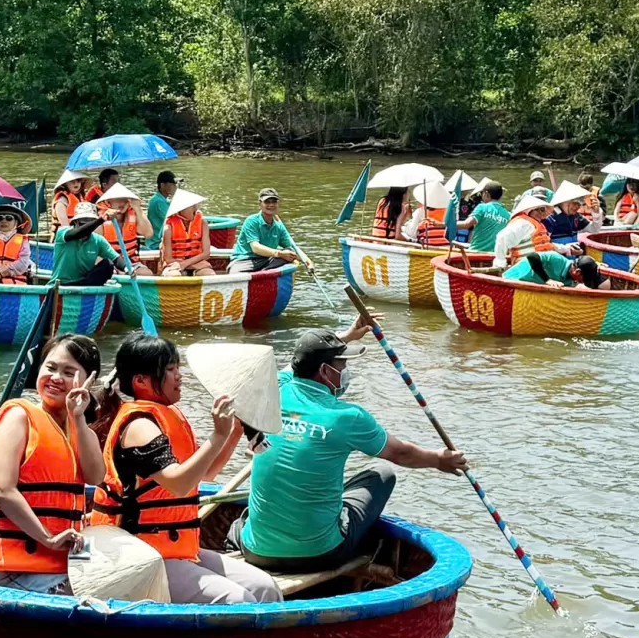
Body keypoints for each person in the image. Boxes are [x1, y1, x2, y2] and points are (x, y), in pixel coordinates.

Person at [228, 324, 466, 573]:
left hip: (255, 552)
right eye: (341, 365)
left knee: (245, 517)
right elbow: (400, 453)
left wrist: (347, 336)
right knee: (381, 474)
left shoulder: (275, 388)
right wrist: (440, 460)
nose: (346, 371)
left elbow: (297, 364)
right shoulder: (347, 417)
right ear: (324, 370)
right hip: (320, 554)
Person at [88, 336, 281, 605]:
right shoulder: (139, 425)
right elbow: (177, 484)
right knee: (238, 600)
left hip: (177, 547)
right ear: (140, 381)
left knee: (265, 587)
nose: (178, 375)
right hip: (140, 552)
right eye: (169, 369)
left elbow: (205, 474)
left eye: (177, 367)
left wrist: (235, 431)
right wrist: (217, 434)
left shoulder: (169, 416)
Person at [0, 336, 104, 592]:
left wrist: (78, 418)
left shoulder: (82, 432)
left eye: (68, 372)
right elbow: (2, 490)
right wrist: (48, 539)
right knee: (85, 598)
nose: (56, 377)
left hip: (68, 558)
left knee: (113, 584)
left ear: (87, 382)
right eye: (50, 368)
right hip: (19, 565)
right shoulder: (18, 416)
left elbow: (95, 476)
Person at [230, 188, 313, 274]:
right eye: (267, 202)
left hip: (267, 260)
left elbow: (292, 247)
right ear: (260, 204)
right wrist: (279, 253)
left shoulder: (278, 226)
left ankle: (264, 274)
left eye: (274, 202)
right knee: (235, 273)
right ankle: (262, 274)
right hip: (245, 260)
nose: (271, 205)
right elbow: (256, 248)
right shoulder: (252, 221)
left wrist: (307, 261)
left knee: (289, 252)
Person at [49, 201, 126, 286]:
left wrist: (127, 269)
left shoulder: (98, 240)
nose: (87, 228)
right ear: (75, 223)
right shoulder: (62, 233)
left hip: (84, 283)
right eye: (82, 224)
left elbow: (115, 259)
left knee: (108, 264)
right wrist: (102, 219)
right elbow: (79, 232)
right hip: (61, 284)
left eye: (90, 223)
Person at [95, 183, 153, 271]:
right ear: (108, 201)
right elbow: (95, 248)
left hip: (132, 262)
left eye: (125, 200)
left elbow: (148, 234)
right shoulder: (101, 219)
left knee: (147, 273)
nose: (122, 202)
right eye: (118, 199)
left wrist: (137, 209)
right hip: (111, 263)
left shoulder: (134, 216)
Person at [158, 189, 216, 277]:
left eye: (195, 205)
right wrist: (182, 265)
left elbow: (206, 253)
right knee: (174, 275)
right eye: (191, 206)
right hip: (174, 264)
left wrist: (186, 264)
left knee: (210, 274)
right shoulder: (168, 228)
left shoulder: (203, 223)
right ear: (181, 209)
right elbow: (168, 259)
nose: (195, 209)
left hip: (197, 263)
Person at [490, 191, 555, 269]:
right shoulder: (523, 223)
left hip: (543, 267)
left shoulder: (536, 224)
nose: (541, 213)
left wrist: (565, 249)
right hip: (528, 269)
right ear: (529, 210)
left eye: (543, 210)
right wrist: (500, 262)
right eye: (539, 210)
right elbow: (501, 237)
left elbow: (545, 244)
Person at [540, 182, 595, 254]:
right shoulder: (549, 219)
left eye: (579, 204)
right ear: (563, 201)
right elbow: (544, 245)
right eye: (574, 203)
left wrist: (596, 212)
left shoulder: (576, 217)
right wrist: (566, 249)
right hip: (558, 260)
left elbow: (594, 229)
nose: (577, 207)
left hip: (572, 259)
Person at [504, 250, 606, 289]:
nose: (581, 282)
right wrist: (547, 280)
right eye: (583, 279)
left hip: (528, 289)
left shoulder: (569, 280)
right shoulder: (556, 258)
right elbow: (532, 256)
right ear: (577, 272)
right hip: (510, 281)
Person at [459, 180, 509, 254]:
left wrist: (443, 224)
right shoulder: (508, 215)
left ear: (486, 194)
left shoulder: (482, 207)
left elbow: (466, 224)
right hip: (494, 256)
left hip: (475, 253)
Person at [146, 170, 179, 242]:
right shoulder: (158, 201)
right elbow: (172, 219)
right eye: (172, 184)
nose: (174, 186)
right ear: (162, 185)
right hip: (157, 242)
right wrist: (176, 195)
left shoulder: (163, 200)